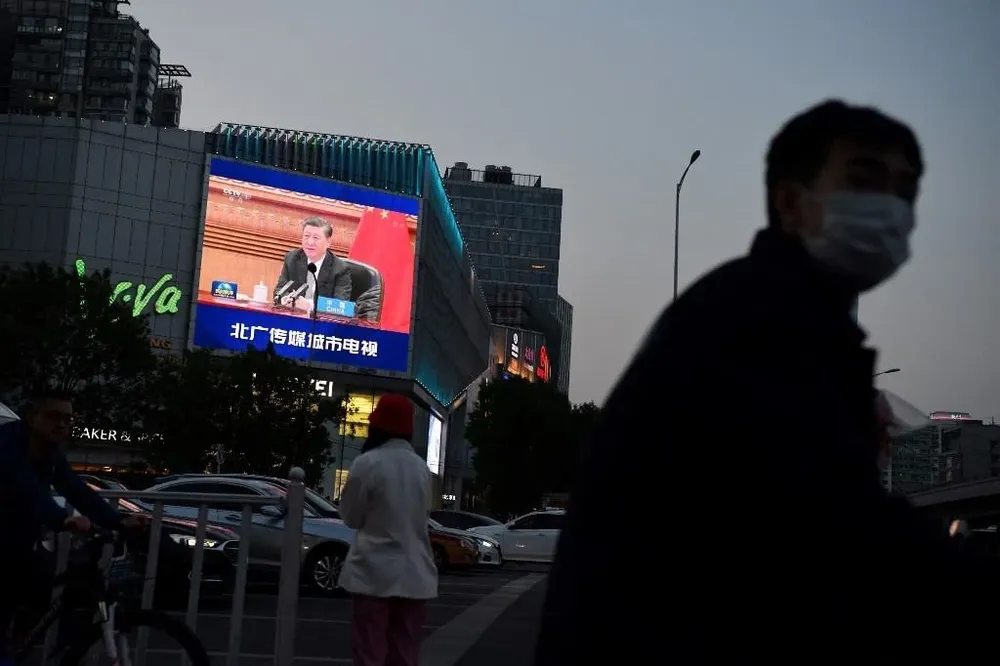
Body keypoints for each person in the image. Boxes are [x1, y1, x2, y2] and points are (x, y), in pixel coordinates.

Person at [533, 100, 1000, 663]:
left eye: (905, 190)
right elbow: (837, 531)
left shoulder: (778, 312)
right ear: (790, 202)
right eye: (864, 181)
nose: (892, 208)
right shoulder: (761, 323)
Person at [0, 389, 143, 664]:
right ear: (31, 417)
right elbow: (25, 488)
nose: (62, 424)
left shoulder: (51, 454)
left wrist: (117, 520)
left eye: (68, 418)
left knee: (41, 592)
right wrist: (61, 519)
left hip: (16, 539)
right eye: (54, 416)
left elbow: (76, 490)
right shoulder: (8, 446)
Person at [337, 394, 437, 666]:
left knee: (370, 651)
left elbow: (350, 517)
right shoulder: (421, 468)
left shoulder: (367, 463)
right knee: (405, 653)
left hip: (373, 573)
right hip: (415, 575)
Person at [275, 216, 353, 311]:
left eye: (316, 238)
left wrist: (310, 306)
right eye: (306, 236)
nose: (310, 242)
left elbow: (341, 305)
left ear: (328, 242)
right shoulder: (292, 259)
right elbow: (280, 289)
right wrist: (285, 299)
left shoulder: (341, 269)